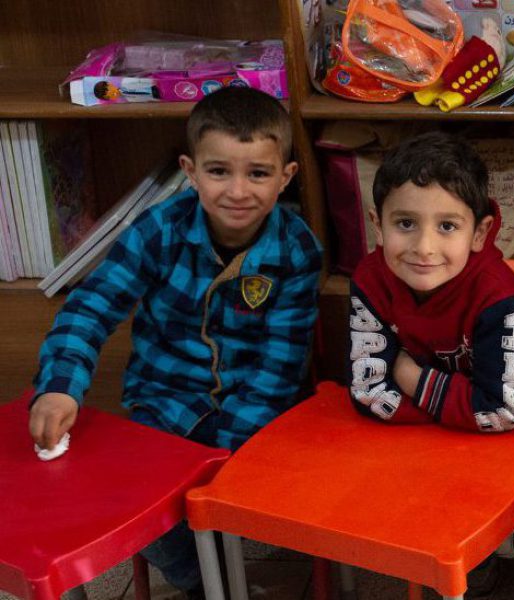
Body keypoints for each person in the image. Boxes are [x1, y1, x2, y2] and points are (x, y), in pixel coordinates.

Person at [29, 86, 323, 598]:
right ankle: (205, 584)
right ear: (189, 171)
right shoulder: (157, 230)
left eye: (257, 173)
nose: (237, 190)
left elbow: (280, 366)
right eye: (218, 172)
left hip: (260, 408)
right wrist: (60, 386)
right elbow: (91, 307)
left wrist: (226, 457)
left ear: (285, 177)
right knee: (135, 506)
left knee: (251, 497)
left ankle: (225, 557)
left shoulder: (297, 249)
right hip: (164, 402)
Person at [347, 130, 514, 597]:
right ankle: (464, 556)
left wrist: (407, 374)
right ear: (377, 224)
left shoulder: (498, 297)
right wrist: (457, 411)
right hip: (435, 424)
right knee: (412, 515)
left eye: (447, 226)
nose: (424, 247)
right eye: (405, 223)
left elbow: (503, 412)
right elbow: (366, 392)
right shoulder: (370, 277)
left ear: (480, 232)